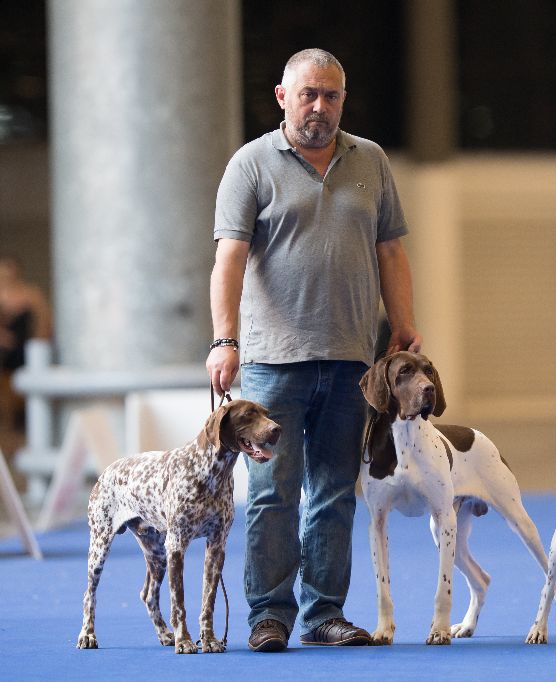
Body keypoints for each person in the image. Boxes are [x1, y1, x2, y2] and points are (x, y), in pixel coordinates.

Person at [206, 48, 421, 653]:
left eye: (330, 95)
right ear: (283, 97)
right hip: (274, 362)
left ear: (342, 101)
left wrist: (403, 325)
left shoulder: (371, 160)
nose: (319, 106)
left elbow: (391, 253)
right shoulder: (250, 164)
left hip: (353, 359)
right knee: (274, 492)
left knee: (332, 491)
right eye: (308, 95)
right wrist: (225, 340)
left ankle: (323, 613)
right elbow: (228, 260)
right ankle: (268, 616)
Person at [0, 255, 51, 431]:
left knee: (35, 375)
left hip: (26, 347)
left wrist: (38, 341)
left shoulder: (30, 293)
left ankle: (31, 423)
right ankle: (7, 425)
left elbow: (44, 320)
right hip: (4, 348)